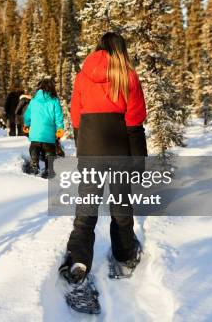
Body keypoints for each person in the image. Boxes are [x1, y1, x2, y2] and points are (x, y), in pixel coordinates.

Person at [59, 32, 147, 284]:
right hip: (119, 148)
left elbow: (76, 116)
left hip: (90, 148)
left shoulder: (83, 75)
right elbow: (134, 121)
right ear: (121, 49)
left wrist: (82, 148)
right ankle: (125, 253)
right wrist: (139, 160)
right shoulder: (127, 75)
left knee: (86, 207)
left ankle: (78, 257)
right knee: (121, 206)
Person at [23, 78, 64, 177]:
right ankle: (48, 169)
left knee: (34, 149)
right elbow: (59, 117)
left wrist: (26, 125)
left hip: (35, 135)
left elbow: (27, 115)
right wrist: (60, 129)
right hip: (49, 136)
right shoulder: (54, 101)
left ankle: (34, 164)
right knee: (49, 155)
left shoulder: (34, 101)